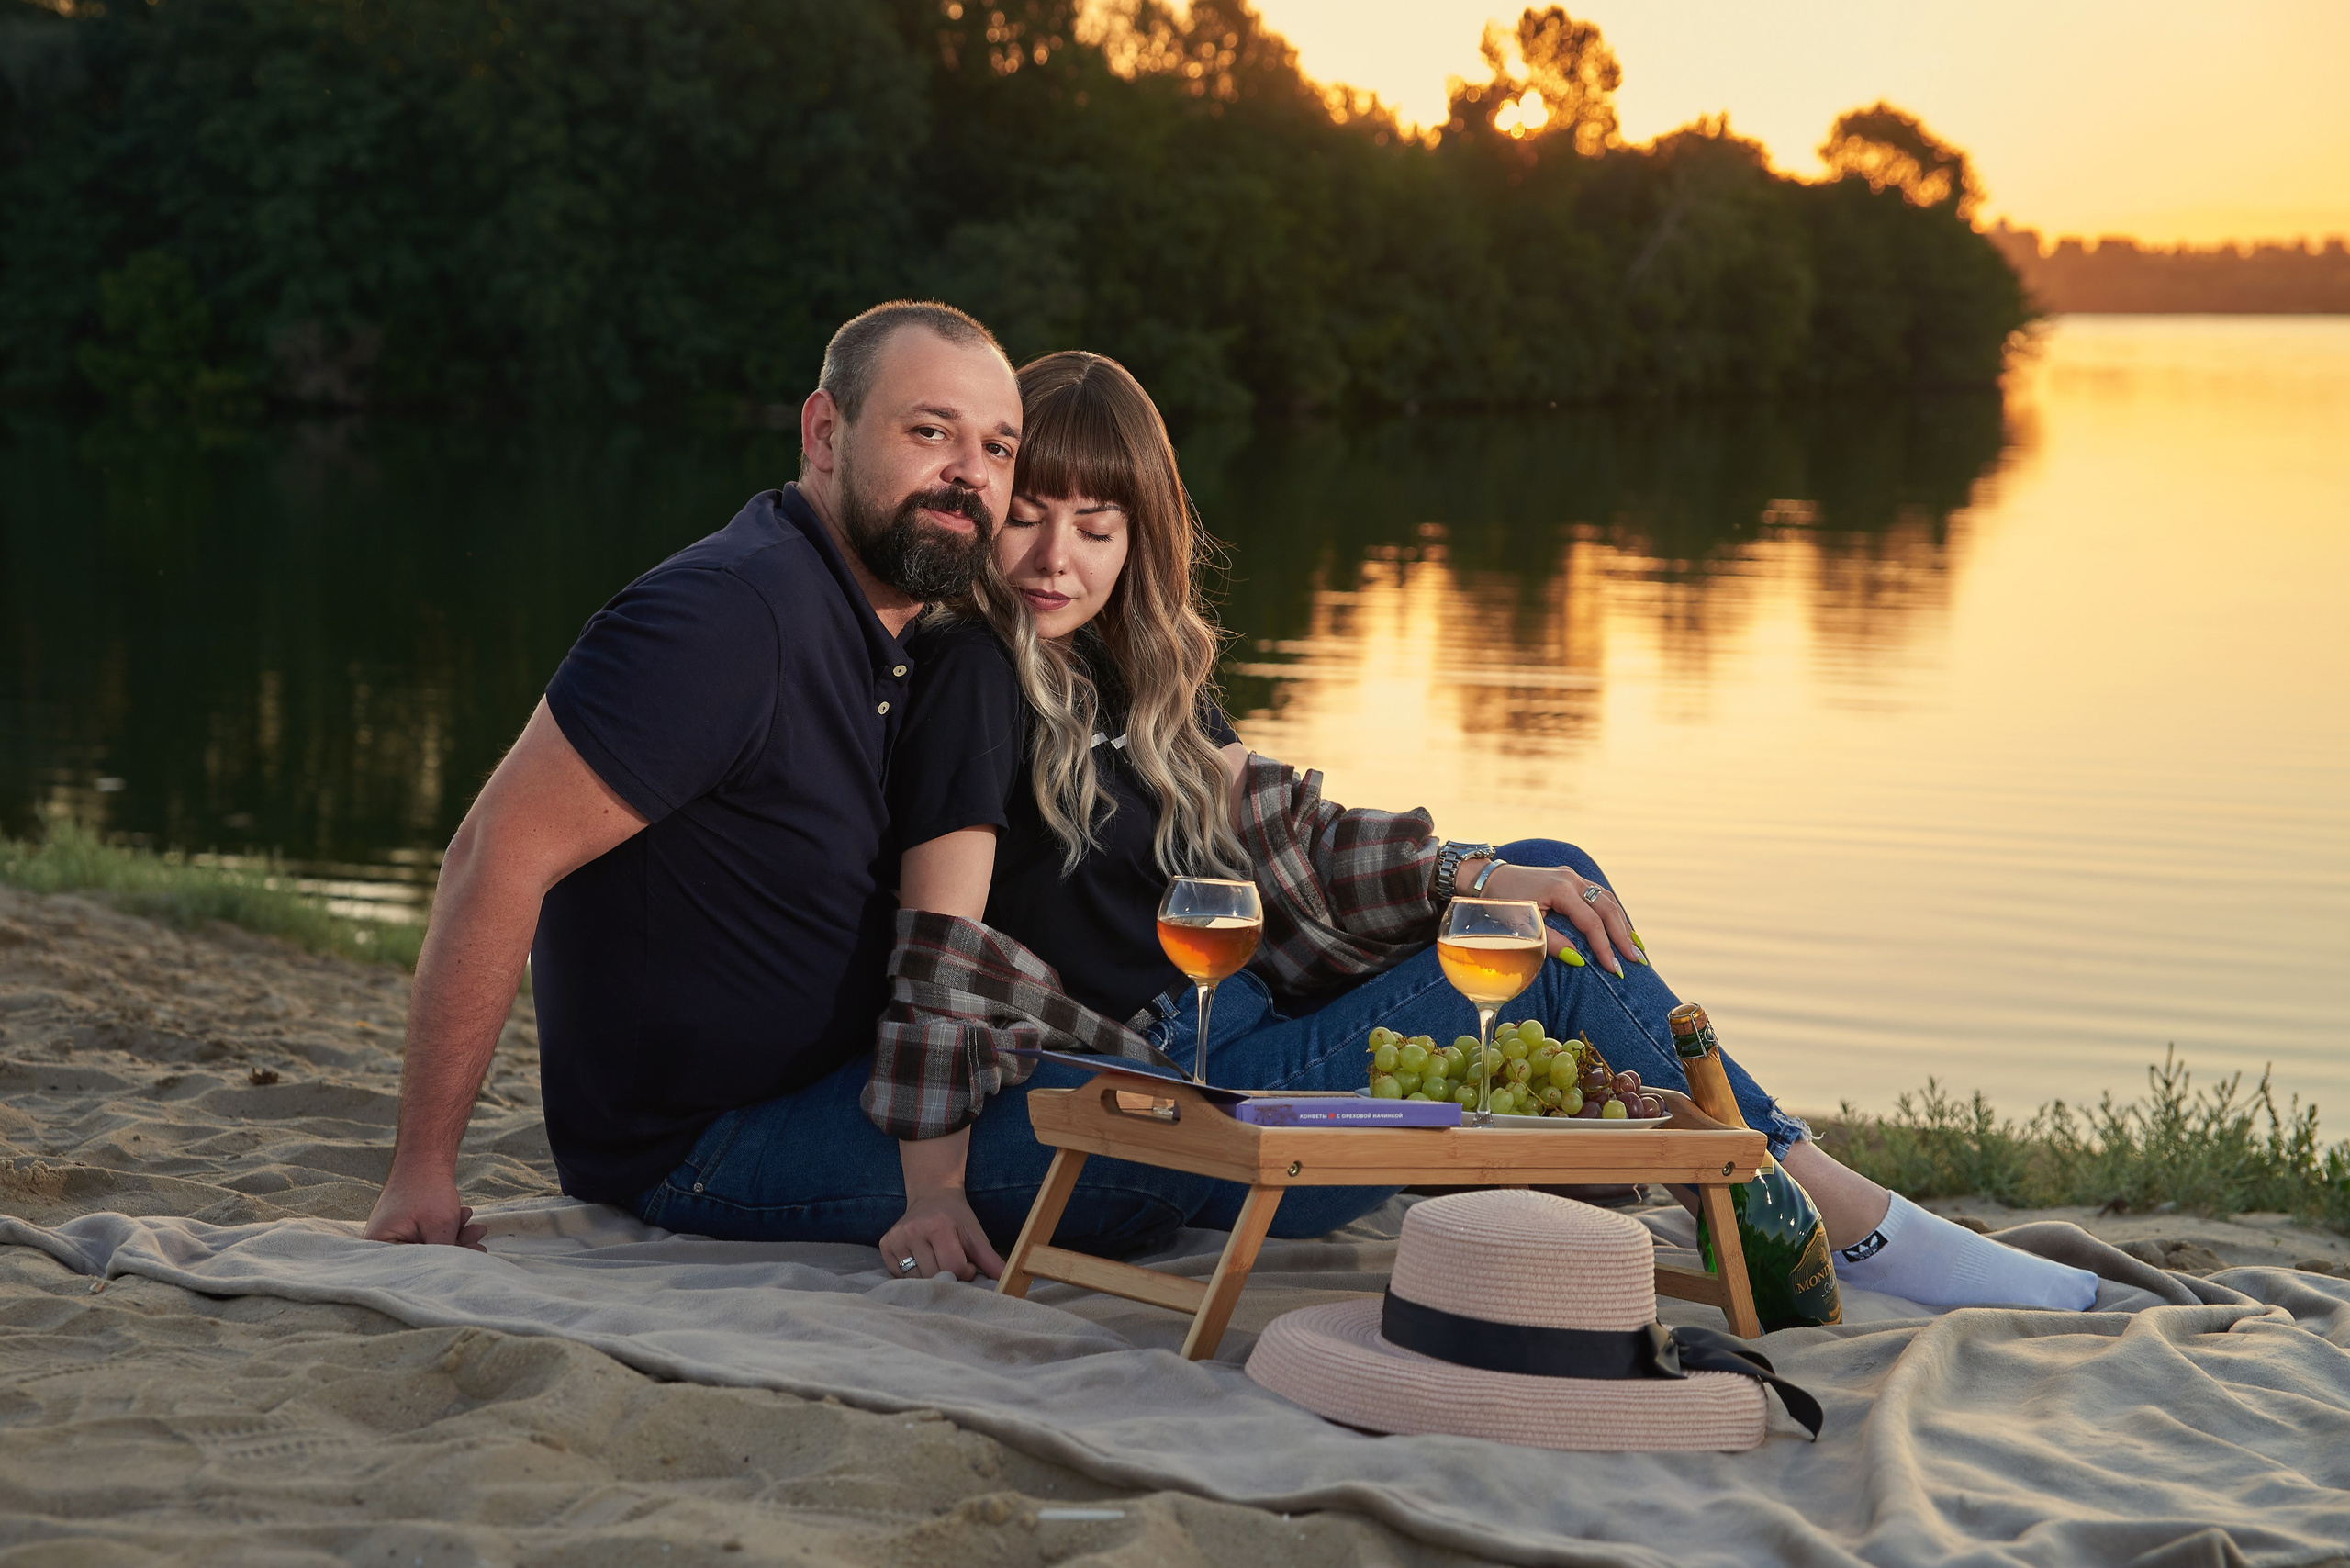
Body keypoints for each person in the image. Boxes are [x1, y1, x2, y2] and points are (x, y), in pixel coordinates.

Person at [838, 351, 2093, 1315]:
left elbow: (1298, 831)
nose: (1057, 556)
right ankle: (1837, 1216)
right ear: (984, 506)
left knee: (1556, 878)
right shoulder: (975, 678)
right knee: (1542, 962)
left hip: (1246, 1036)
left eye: (1098, 528)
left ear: (1140, 536)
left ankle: (1777, 1185)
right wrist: (934, 1193)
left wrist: (1470, 870)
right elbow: (940, 945)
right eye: (1028, 517)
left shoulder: (1137, 674)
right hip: (1170, 1096)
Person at [361, 300, 1024, 1249]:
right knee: (1165, 1157)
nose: (969, 474)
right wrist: (423, 1172)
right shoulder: (728, 615)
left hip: (838, 1091)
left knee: (1167, 1116)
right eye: (931, 432)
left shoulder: (892, 631)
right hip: (703, 1146)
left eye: (998, 450)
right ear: (825, 433)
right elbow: (493, 853)